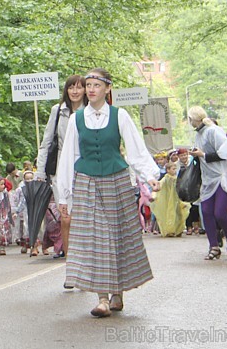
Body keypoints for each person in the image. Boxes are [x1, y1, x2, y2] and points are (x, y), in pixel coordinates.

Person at [57, 68, 160, 317]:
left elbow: (136, 150)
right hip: (87, 181)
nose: (90, 89)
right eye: (87, 85)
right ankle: (102, 297)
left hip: (117, 181)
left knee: (118, 235)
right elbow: (70, 156)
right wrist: (64, 194)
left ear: (107, 88)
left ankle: (118, 293)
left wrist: (150, 176)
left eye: (95, 85)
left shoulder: (119, 115)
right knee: (95, 238)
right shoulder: (77, 119)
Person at [188, 107, 227, 261]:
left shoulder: (213, 131)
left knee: (219, 212)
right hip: (208, 178)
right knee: (207, 212)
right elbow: (201, 156)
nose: (189, 122)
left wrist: (202, 154)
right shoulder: (199, 134)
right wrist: (194, 154)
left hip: (221, 177)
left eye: (190, 118)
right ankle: (214, 246)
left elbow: (225, 153)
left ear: (195, 118)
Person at [36, 74, 85, 199]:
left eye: (79, 88)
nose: (74, 92)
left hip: (84, 167)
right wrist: (40, 171)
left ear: (85, 90)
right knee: (64, 211)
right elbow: (46, 142)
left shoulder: (89, 112)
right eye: (71, 88)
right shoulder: (58, 110)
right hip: (60, 167)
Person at [151, 162, 190, 237]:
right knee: (170, 214)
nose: (175, 170)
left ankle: (179, 229)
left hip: (177, 199)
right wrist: (154, 195)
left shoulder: (177, 178)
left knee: (179, 214)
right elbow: (160, 185)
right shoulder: (166, 178)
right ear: (168, 170)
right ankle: (170, 230)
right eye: (173, 169)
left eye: (175, 169)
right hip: (168, 199)